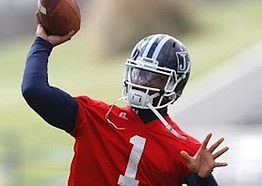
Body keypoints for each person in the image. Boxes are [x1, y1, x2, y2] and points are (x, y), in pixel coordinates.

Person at [21, 23, 229, 186]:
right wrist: (42, 43)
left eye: (153, 77)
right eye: (139, 72)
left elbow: (33, 89)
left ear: (174, 84)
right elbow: (33, 90)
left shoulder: (187, 151)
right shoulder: (94, 117)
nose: (141, 81)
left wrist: (202, 179)